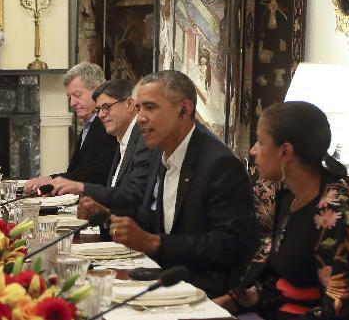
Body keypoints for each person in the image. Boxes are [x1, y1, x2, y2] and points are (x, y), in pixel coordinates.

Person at [214, 102, 349, 320]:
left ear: (285, 151)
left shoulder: (334, 209)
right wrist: (228, 301)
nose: (253, 150)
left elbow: (339, 308)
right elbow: (273, 276)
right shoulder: (289, 199)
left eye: (259, 141)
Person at [108, 70, 258, 297]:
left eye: (150, 107)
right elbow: (170, 221)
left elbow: (232, 246)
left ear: (184, 110)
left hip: (208, 294)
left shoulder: (219, 164)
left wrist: (154, 242)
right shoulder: (164, 155)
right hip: (168, 284)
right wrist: (110, 215)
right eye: (138, 108)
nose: (140, 118)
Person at [51, 78, 155, 214]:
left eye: (106, 107)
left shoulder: (143, 139)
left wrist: (82, 187)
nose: (100, 115)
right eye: (98, 109)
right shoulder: (121, 138)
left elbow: (134, 195)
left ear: (129, 104)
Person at [24, 62, 118, 193]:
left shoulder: (108, 125)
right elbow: (78, 172)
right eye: (69, 97)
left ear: (97, 90)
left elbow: (96, 175)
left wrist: (51, 180)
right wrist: (50, 180)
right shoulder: (89, 123)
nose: (72, 103)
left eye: (77, 95)